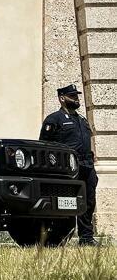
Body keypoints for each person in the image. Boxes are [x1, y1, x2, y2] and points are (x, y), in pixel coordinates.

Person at [40, 84, 97, 245]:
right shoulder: (54, 119)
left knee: (89, 202)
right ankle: (59, 238)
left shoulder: (82, 120)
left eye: (77, 96)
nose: (76, 99)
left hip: (87, 166)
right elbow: (45, 145)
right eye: (72, 96)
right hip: (68, 168)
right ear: (62, 98)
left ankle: (86, 238)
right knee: (67, 203)